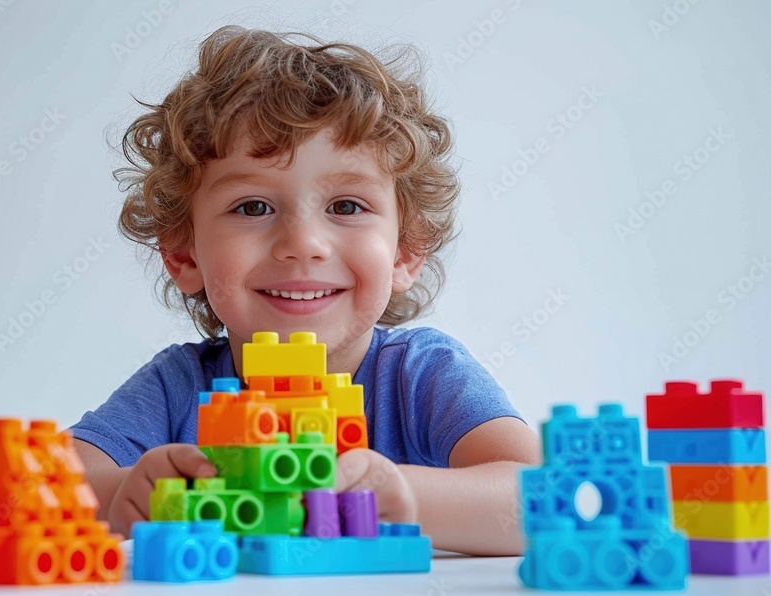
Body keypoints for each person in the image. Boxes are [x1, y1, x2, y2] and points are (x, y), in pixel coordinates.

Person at [72, 25, 540, 555]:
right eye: (253, 207)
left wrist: (402, 495)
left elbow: (542, 500)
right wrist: (117, 496)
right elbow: (35, 489)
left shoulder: (422, 377)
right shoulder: (177, 388)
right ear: (184, 254)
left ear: (406, 251)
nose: (303, 245)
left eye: (346, 206)